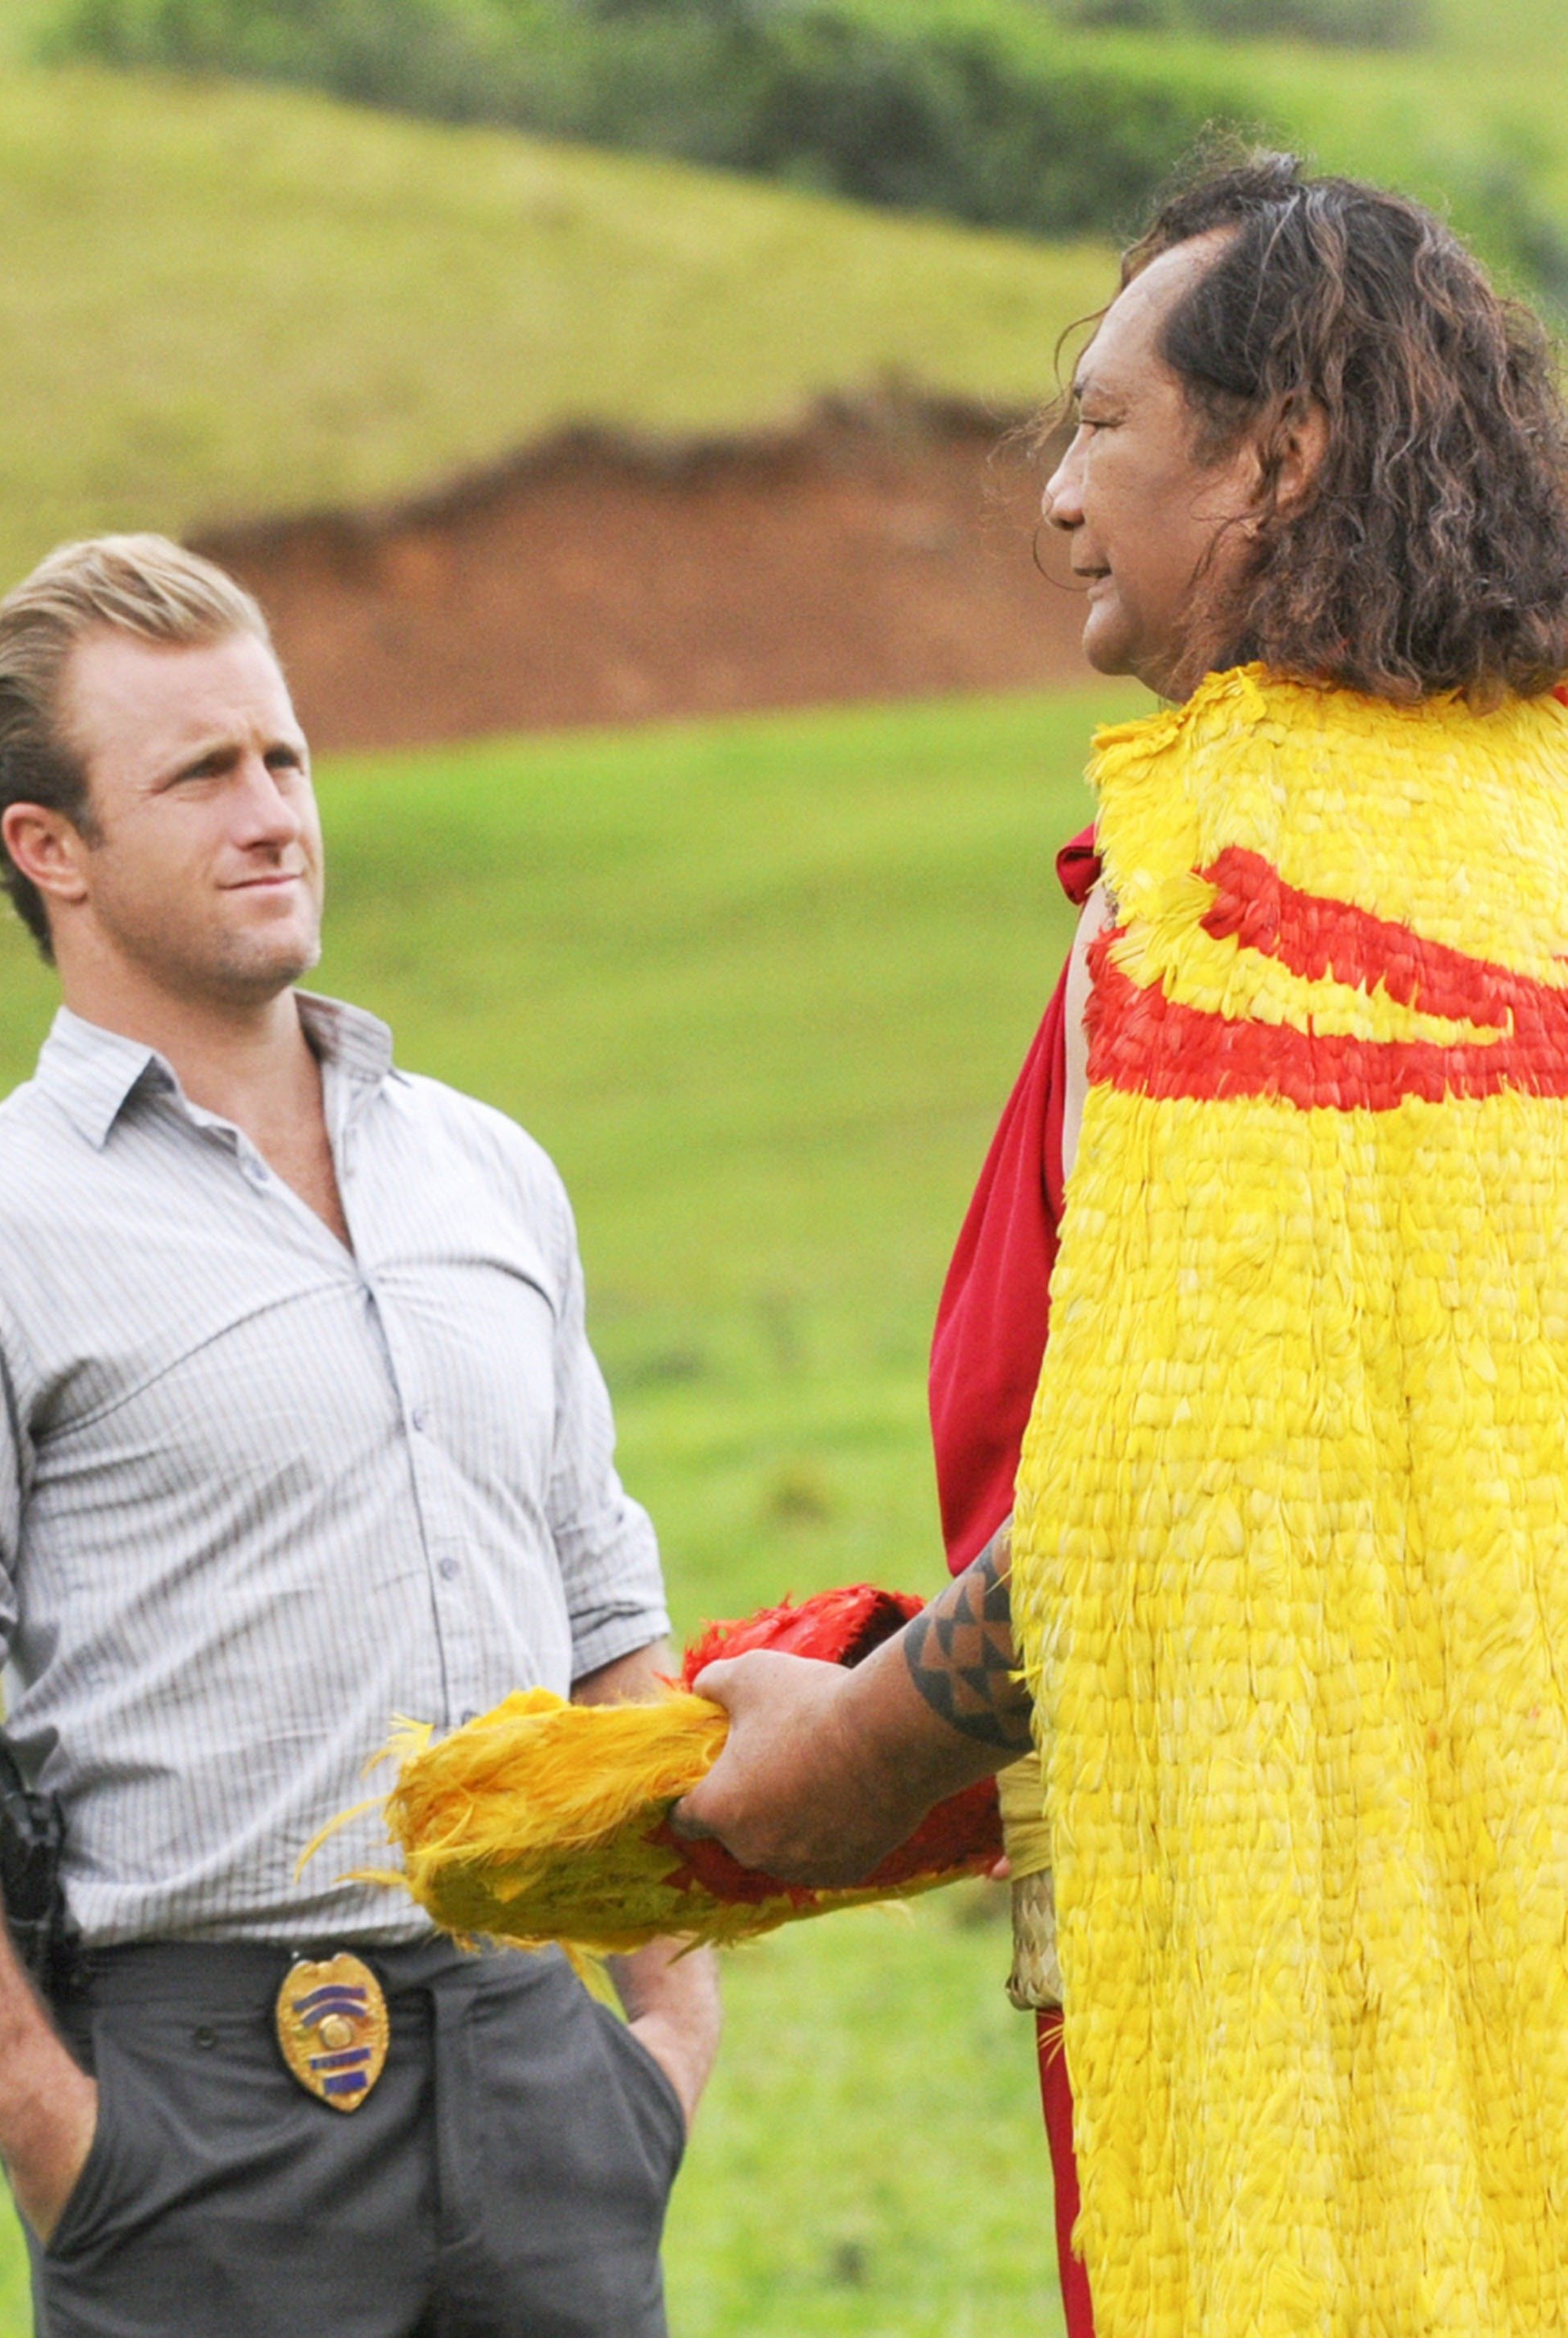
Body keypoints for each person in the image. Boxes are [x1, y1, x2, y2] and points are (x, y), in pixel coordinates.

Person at [677, 152, 1568, 2333]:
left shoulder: (1238, 926)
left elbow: (1189, 1498)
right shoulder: (1539, 837)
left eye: (1101, 425)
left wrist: (869, 1747)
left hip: (1303, 1978)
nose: (1059, 496)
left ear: (1278, 458)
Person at [0, 535, 720, 2338]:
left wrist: (670, 2021)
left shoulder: (486, 1170)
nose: (272, 813)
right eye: (201, 774)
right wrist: (43, 2115)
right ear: (47, 849)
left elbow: (600, 1581)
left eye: (284, 758)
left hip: (543, 2063)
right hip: (203, 2113)